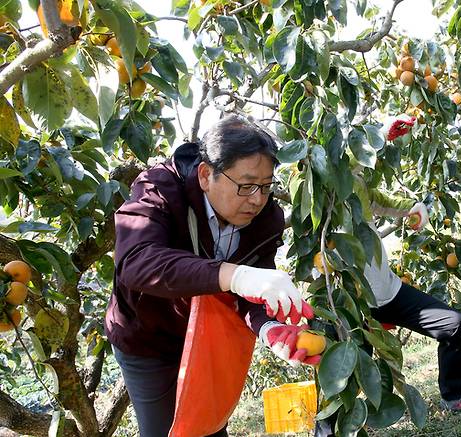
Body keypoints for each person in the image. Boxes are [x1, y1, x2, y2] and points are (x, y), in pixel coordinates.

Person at [105, 115, 319, 437]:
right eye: (246, 185)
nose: (257, 199)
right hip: (148, 338)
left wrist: (270, 328)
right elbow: (136, 262)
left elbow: (251, 293)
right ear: (206, 175)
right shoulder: (160, 189)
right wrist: (233, 275)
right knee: (168, 431)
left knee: (210, 424)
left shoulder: (266, 220)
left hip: (208, 339)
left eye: (265, 186)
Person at [314, 119, 461, 437]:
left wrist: (414, 207)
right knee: (341, 374)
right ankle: (326, 432)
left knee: (454, 324)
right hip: (352, 305)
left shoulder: (357, 186)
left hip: (389, 293)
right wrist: (381, 135)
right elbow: (337, 161)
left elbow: (382, 199)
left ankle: (454, 395)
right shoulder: (323, 192)